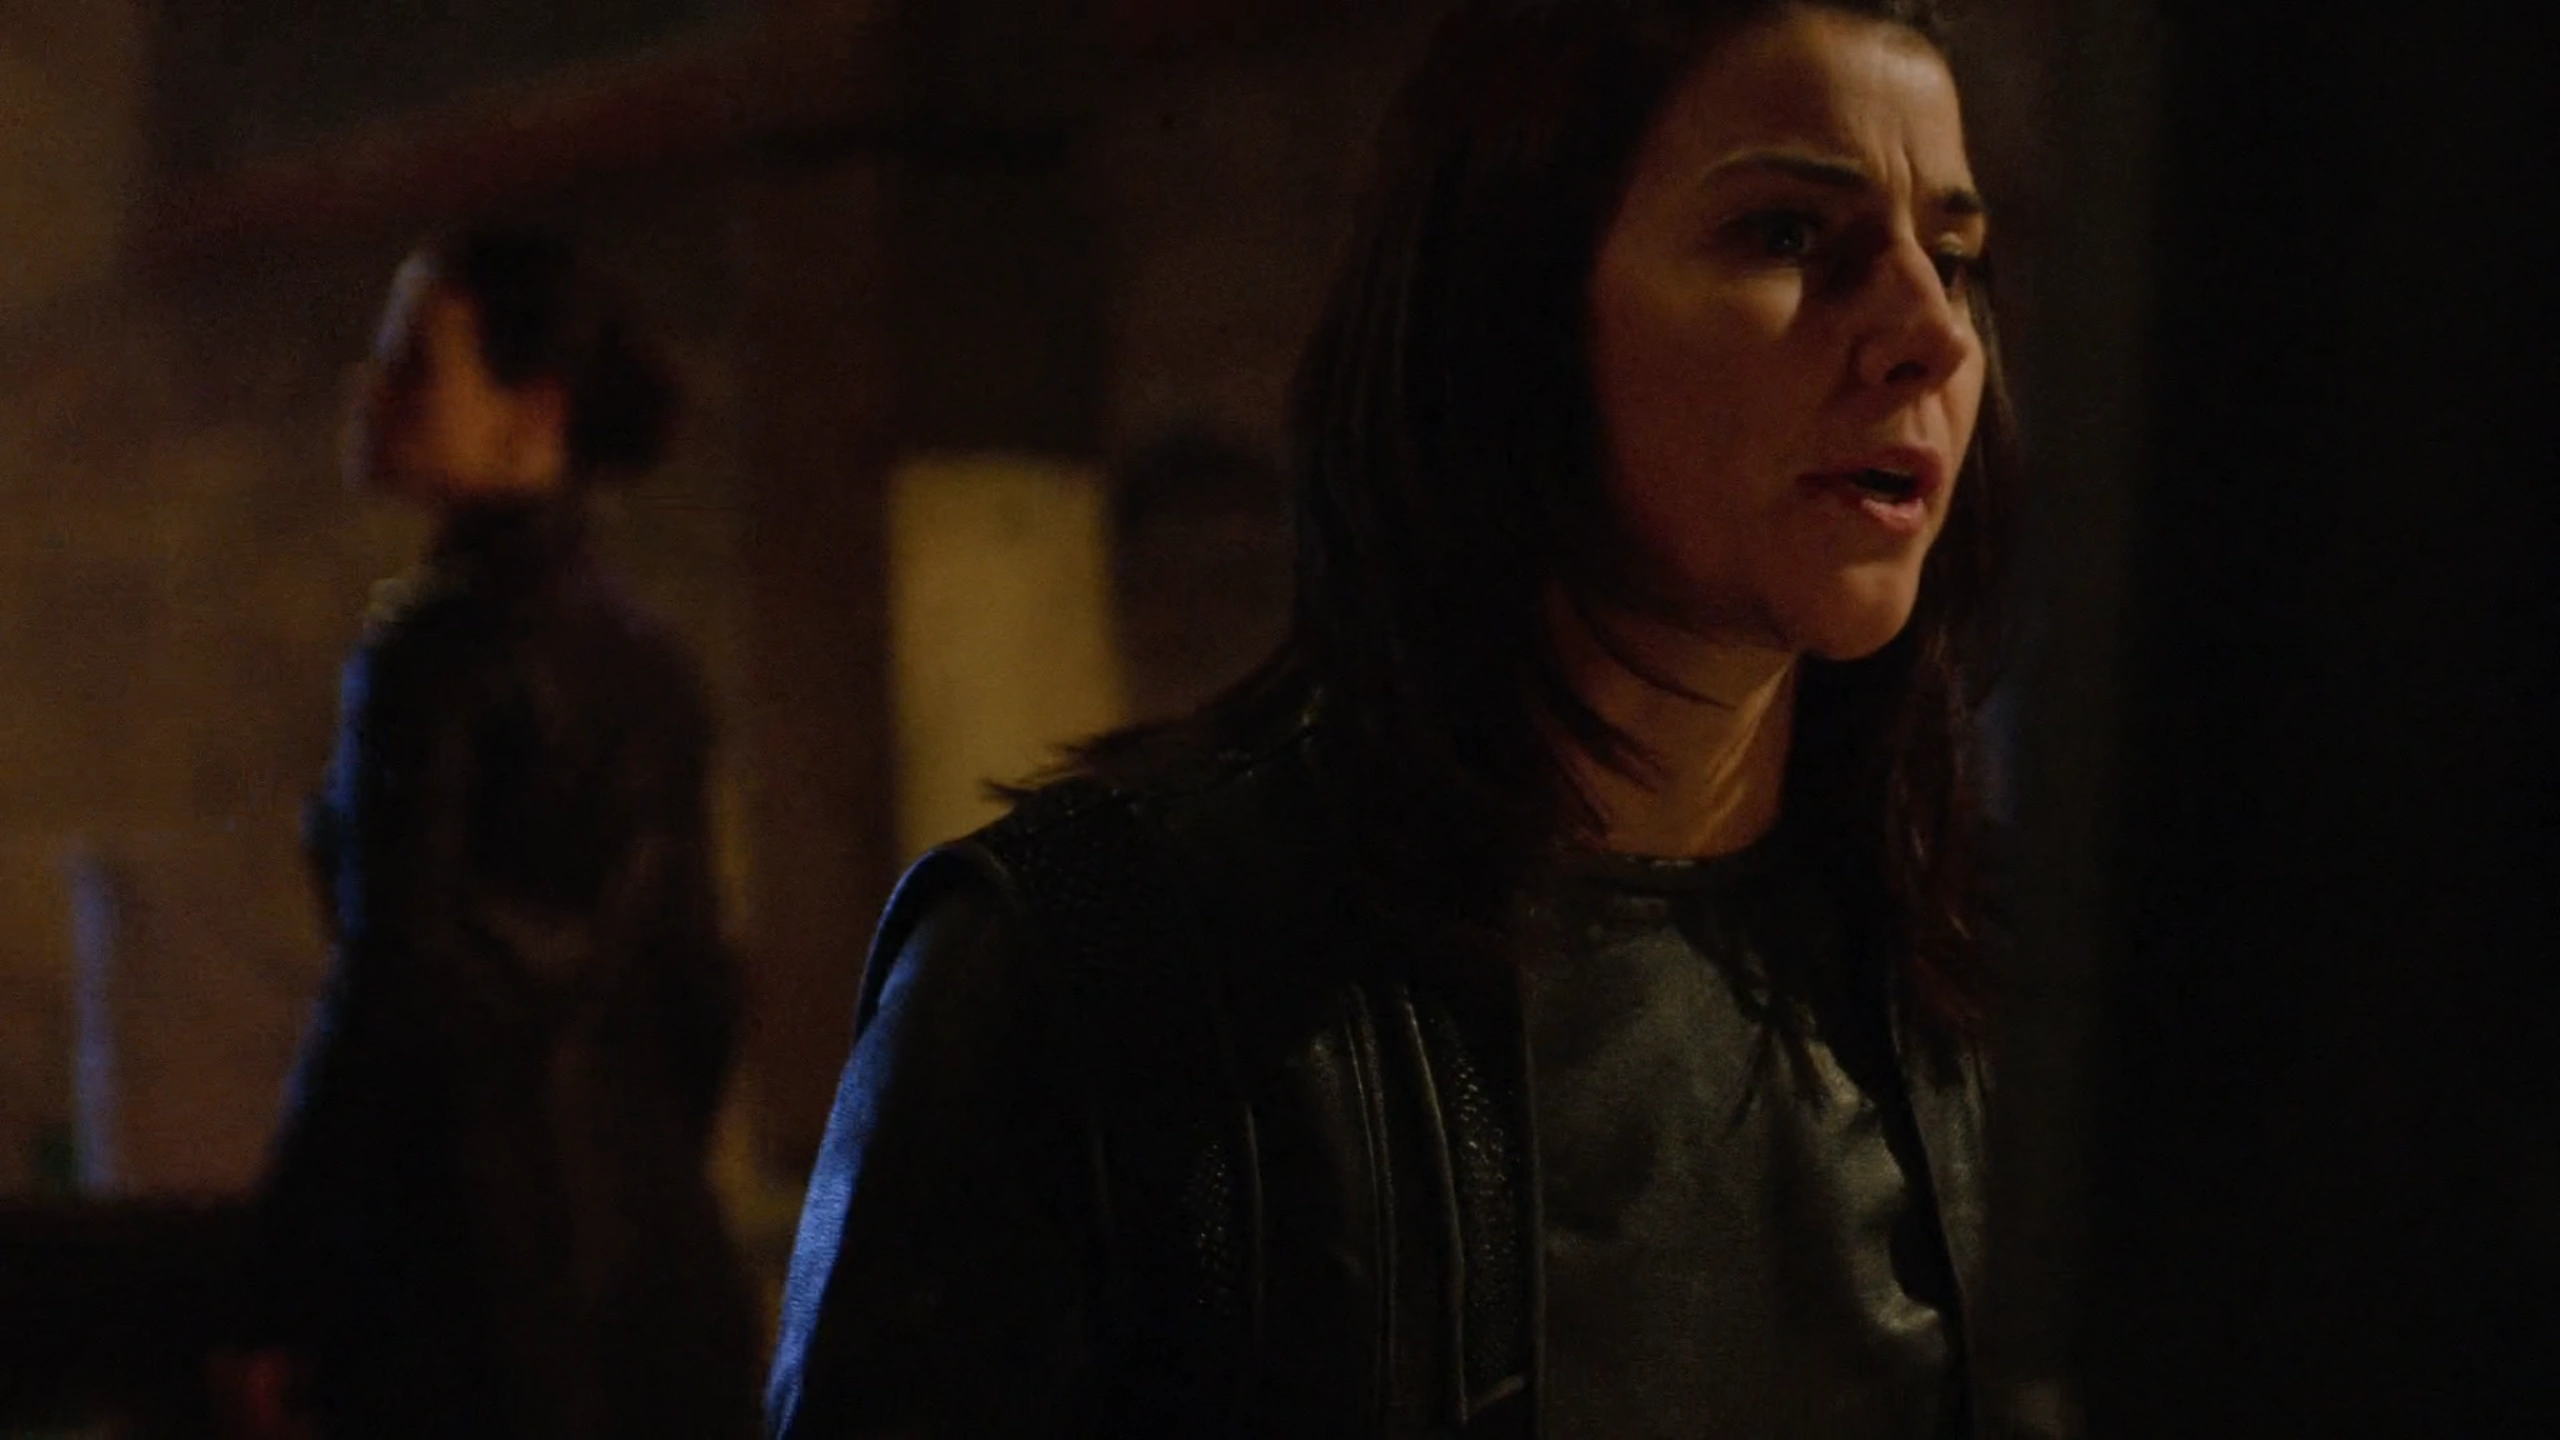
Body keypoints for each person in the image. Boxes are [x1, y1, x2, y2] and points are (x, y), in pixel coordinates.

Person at [769, 0, 2020, 1435]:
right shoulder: (1097, 975)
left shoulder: (1990, 972)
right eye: (1789, 234)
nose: (1929, 334)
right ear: (1514, 303)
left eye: (1954, 258)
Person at [234, 228, 762, 1439]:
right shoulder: (652, 661)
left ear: (535, 414)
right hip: (659, 1276)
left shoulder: (431, 656)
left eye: (416, 364)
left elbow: (391, 988)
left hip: (469, 1297)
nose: (371, 390)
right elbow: (699, 986)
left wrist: (280, 1287)